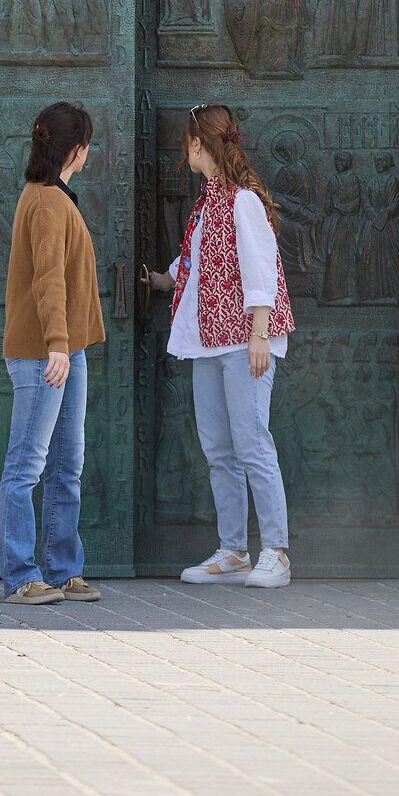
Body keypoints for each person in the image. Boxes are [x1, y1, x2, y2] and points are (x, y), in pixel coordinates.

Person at [143, 103, 295, 588]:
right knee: (219, 449)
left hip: (244, 338)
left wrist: (259, 334)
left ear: (197, 143)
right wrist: (164, 280)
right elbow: (197, 259)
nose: (182, 151)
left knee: (252, 443)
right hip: (210, 339)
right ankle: (234, 551)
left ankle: (276, 552)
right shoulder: (209, 202)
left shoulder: (242, 200)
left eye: (185, 143)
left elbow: (261, 266)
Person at [0, 102, 105, 606]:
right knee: (26, 466)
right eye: (88, 143)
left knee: (67, 463)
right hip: (45, 353)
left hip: (66, 350)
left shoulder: (55, 197)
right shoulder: (45, 202)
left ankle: (62, 571)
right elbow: (48, 280)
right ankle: (22, 576)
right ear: (77, 149)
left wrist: (67, 346)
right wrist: (58, 345)